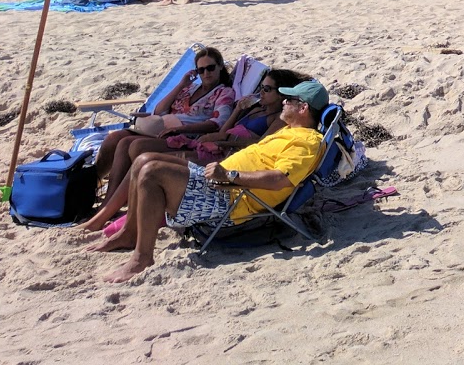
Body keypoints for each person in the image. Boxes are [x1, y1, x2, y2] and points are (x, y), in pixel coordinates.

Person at [92, 79, 331, 282]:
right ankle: (129, 232)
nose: (283, 101)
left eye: (289, 100)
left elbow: (280, 179)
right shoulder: (289, 131)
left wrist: (229, 175)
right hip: (220, 182)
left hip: (234, 199)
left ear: (303, 108)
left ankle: (142, 258)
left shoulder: (307, 142)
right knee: (143, 159)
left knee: (152, 171)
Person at [78, 68, 305, 235]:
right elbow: (223, 131)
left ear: (282, 94)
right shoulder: (256, 109)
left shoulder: (277, 119)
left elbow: (260, 147)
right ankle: (108, 209)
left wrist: (224, 144)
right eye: (261, 87)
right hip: (212, 147)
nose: (261, 93)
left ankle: (108, 214)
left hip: (222, 158)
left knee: (145, 159)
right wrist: (237, 110)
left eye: (267, 89)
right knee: (136, 153)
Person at [93, 46, 236, 199]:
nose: (206, 73)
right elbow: (159, 110)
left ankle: (113, 199)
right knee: (113, 138)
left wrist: (181, 130)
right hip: (159, 127)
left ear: (220, 66)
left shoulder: (224, 93)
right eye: (201, 70)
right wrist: (181, 85)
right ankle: (92, 187)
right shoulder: (190, 88)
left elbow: (217, 123)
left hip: (183, 135)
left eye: (210, 68)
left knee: (128, 144)